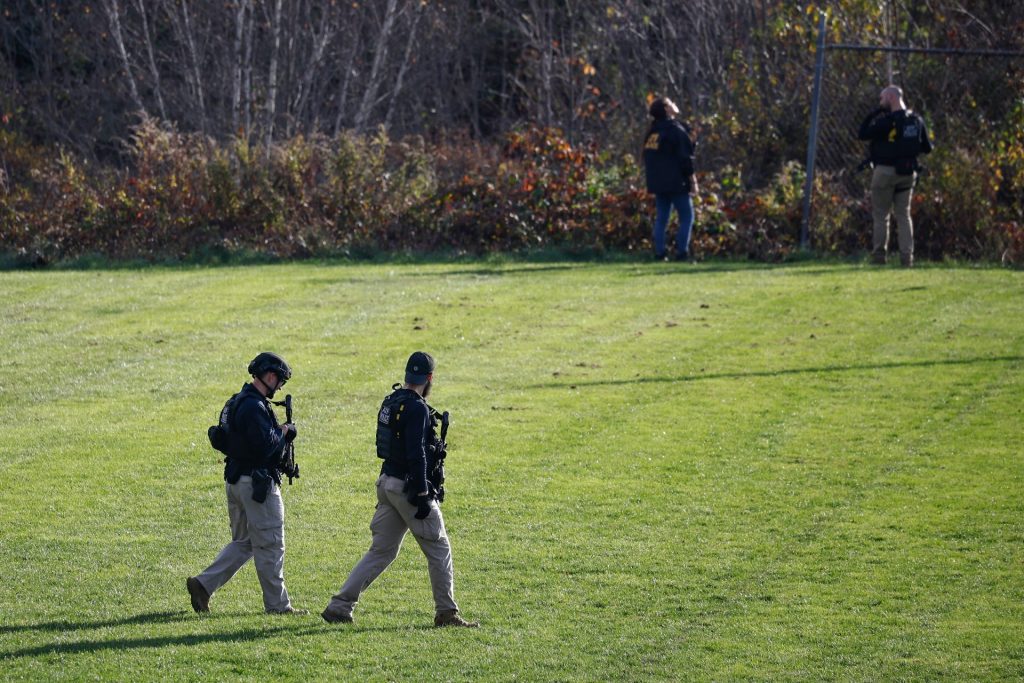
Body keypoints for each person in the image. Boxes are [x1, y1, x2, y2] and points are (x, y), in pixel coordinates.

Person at [322, 351, 478, 628]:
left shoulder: (390, 401)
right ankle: (447, 613)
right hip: (407, 487)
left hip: (386, 485)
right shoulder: (417, 408)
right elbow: (416, 452)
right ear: (429, 379)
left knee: (381, 551)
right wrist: (421, 493)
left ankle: (339, 606)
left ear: (408, 375)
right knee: (439, 547)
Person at [187, 352, 306, 615]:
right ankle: (278, 607)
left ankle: (203, 585)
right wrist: (285, 431)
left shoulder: (236, 402)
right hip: (257, 486)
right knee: (271, 544)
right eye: (281, 382)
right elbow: (267, 447)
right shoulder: (255, 407)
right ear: (271, 376)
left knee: (245, 542)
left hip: (236, 482)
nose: (280, 388)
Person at [857, 85, 933, 267]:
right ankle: (907, 259)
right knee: (904, 215)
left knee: (881, 215)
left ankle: (879, 257)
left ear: (891, 98)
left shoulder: (886, 121)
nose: (880, 102)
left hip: (884, 172)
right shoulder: (916, 120)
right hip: (908, 173)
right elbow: (927, 148)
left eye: (882, 99)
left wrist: (875, 113)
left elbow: (862, 134)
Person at [642, 96, 699, 261]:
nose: (675, 103)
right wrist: (692, 181)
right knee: (687, 216)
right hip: (676, 181)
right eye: (670, 102)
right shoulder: (675, 130)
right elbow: (685, 158)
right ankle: (682, 253)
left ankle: (660, 253)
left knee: (662, 218)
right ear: (666, 109)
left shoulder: (653, 132)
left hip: (658, 182)